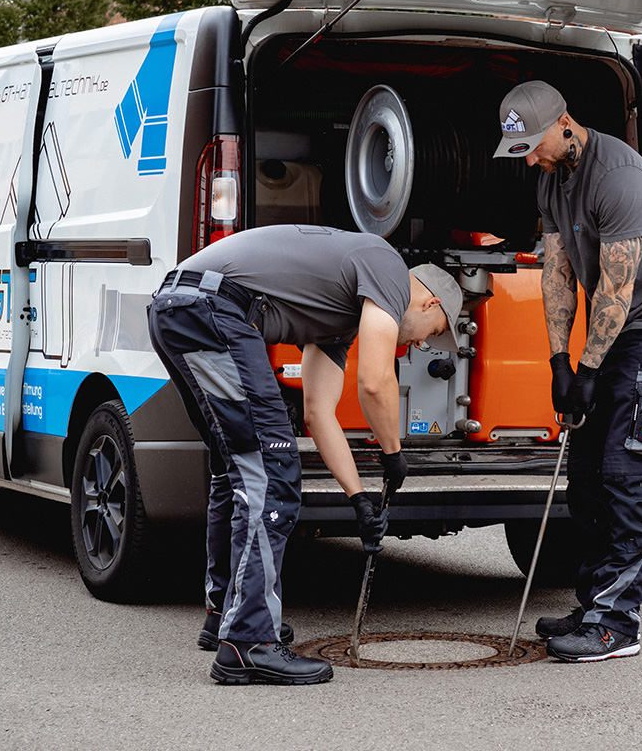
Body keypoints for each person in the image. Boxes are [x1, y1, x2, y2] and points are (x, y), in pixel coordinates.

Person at [147, 224, 462, 685]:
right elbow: (375, 383)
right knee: (271, 473)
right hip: (213, 309)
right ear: (430, 303)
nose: (419, 345)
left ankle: (226, 616)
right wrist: (393, 454)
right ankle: (249, 642)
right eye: (431, 334)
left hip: (178, 306)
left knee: (236, 469)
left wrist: (358, 499)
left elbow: (318, 412)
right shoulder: (389, 268)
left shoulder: (340, 319)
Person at [494, 80, 642, 662]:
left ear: (565, 123)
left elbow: (616, 289)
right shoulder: (551, 176)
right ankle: (593, 606)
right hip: (612, 336)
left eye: (534, 146)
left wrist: (589, 369)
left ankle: (617, 624)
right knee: (586, 480)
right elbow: (558, 273)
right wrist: (559, 362)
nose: (529, 161)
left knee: (626, 475)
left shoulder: (619, 177)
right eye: (520, 151)